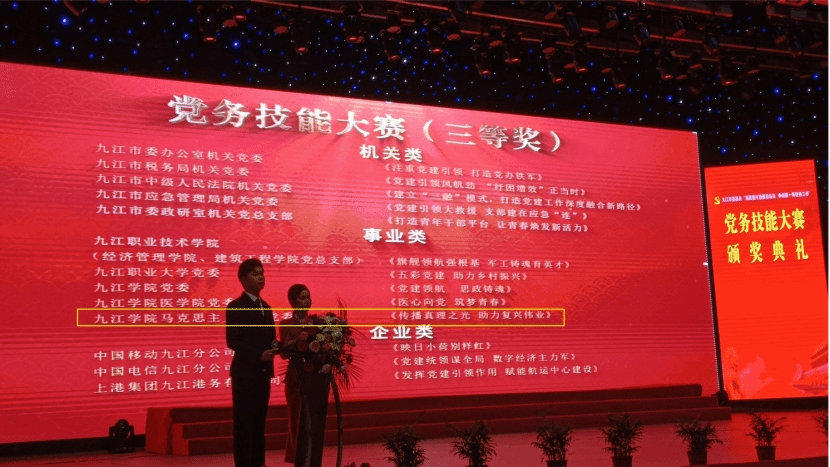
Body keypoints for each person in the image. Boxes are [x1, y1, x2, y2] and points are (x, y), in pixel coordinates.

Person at [226, 258, 280, 467]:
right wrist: (258, 354)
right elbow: (233, 341)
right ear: (243, 279)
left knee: (259, 422)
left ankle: (259, 463)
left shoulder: (266, 307)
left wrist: (286, 345)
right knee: (243, 422)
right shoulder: (236, 306)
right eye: (255, 273)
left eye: (262, 273)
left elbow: (271, 339)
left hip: (263, 372)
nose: (260, 277)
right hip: (245, 373)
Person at [280, 284, 331, 467]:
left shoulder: (318, 323)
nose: (307, 301)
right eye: (302, 297)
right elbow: (283, 353)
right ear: (292, 301)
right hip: (296, 376)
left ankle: (314, 459)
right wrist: (297, 338)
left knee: (315, 419)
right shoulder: (286, 324)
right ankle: (299, 460)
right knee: (297, 417)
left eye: (308, 297)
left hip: (315, 377)